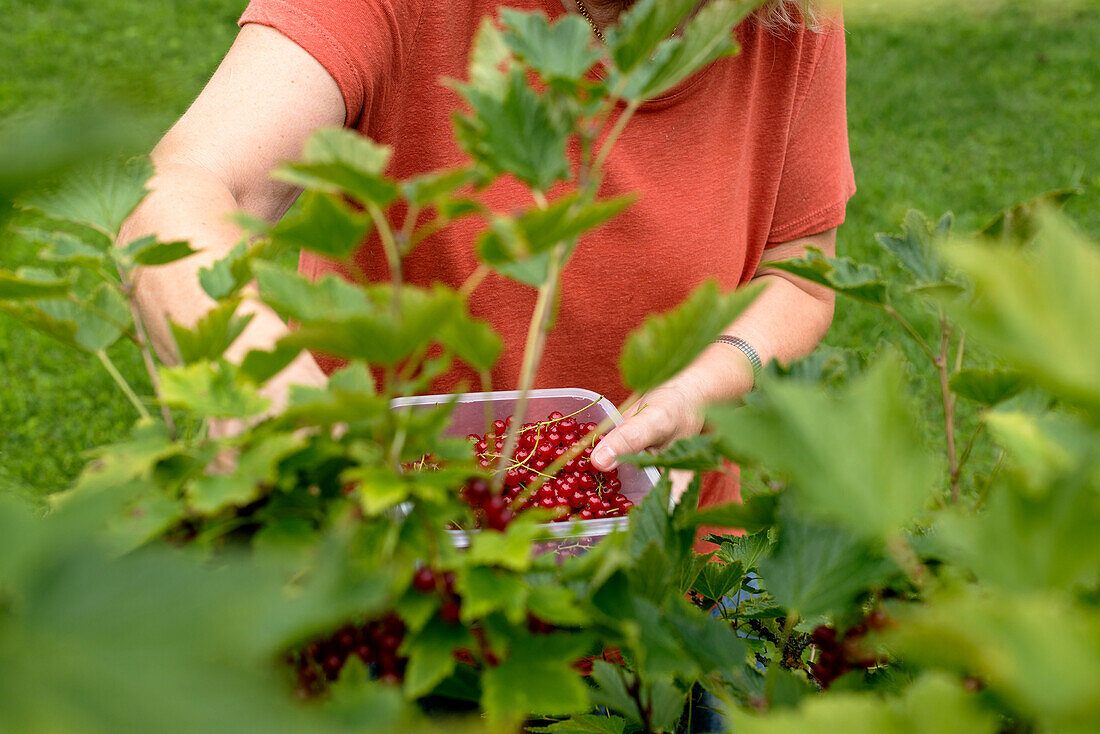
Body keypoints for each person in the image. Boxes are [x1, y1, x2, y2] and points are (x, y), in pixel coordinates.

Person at [120, 0, 855, 508]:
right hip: (376, 539)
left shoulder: (790, 21)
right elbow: (181, 191)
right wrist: (264, 386)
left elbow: (798, 271)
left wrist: (701, 387)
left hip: (655, 564)